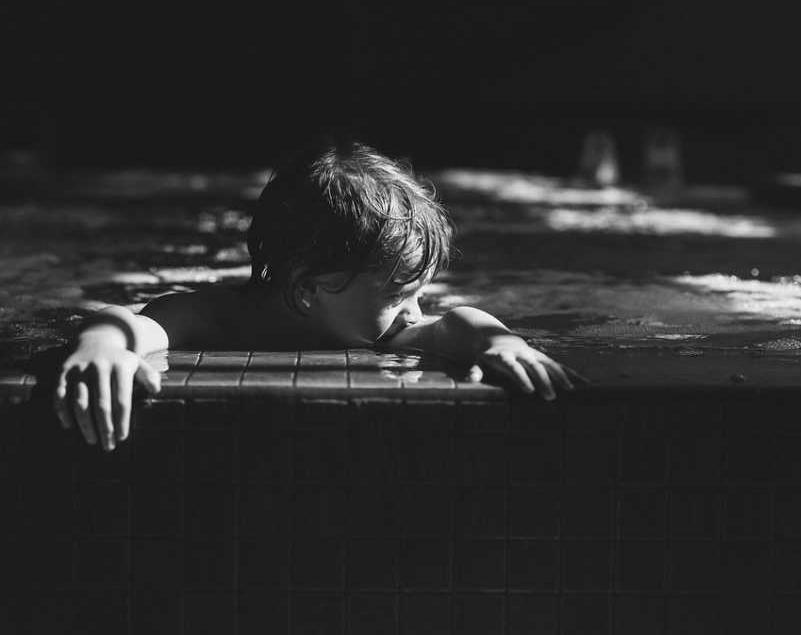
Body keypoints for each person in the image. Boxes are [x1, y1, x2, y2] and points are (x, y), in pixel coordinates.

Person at [53, 141, 585, 451]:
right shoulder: (220, 318)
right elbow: (133, 321)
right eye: (402, 295)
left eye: (421, 294)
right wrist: (100, 347)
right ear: (308, 289)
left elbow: (453, 324)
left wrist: (500, 342)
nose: (415, 313)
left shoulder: (369, 317)